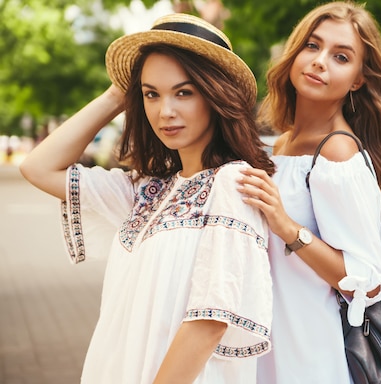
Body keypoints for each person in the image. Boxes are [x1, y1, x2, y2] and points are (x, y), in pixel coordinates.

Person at [19, 13, 274, 384]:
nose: (164, 111)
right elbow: (39, 167)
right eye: (151, 94)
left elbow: (210, 321)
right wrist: (117, 93)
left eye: (183, 92)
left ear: (216, 95)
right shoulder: (144, 192)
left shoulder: (233, 183)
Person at [236, 2, 381, 383]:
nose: (319, 61)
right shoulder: (281, 145)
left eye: (341, 56)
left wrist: (287, 227)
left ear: (358, 80)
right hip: (266, 344)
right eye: (312, 46)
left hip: (309, 353)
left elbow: (369, 278)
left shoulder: (337, 152)